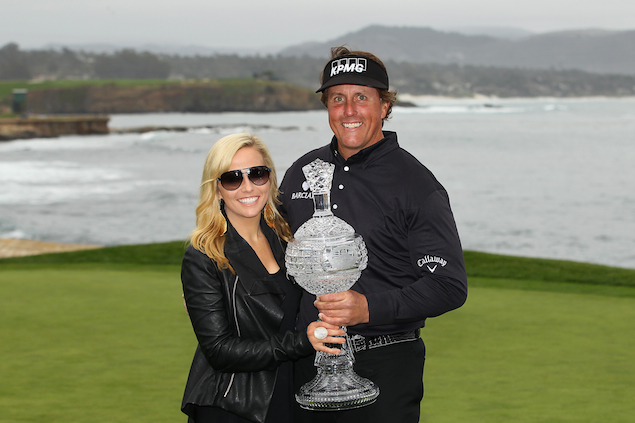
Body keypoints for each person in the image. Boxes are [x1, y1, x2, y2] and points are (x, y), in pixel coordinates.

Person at [278, 47, 469, 423]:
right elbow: (267, 249)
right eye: (338, 99)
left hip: (384, 367)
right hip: (306, 364)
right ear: (327, 107)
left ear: (384, 106)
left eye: (361, 97)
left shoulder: (417, 185)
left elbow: (448, 285)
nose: (349, 111)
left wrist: (367, 308)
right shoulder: (302, 172)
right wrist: (218, 279)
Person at [180, 133, 344, 423]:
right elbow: (219, 350)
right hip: (233, 403)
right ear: (217, 189)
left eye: (257, 174)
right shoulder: (204, 253)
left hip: (286, 393)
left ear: (270, 179)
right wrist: (302, 342)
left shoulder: (284, 239)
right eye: (232, 178)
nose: (247, 187)